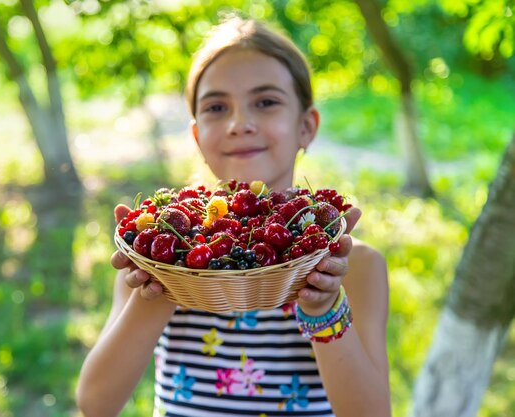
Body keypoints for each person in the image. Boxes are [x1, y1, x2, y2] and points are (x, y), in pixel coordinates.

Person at [76, 16, 390, 417]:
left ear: (306, 126)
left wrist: (322, 306)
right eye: (217, 107)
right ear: (196, 136)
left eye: (266, 102)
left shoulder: (349, 267)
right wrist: (160, 288)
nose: (239, 124)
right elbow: (96, 405)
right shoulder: (163, 253)